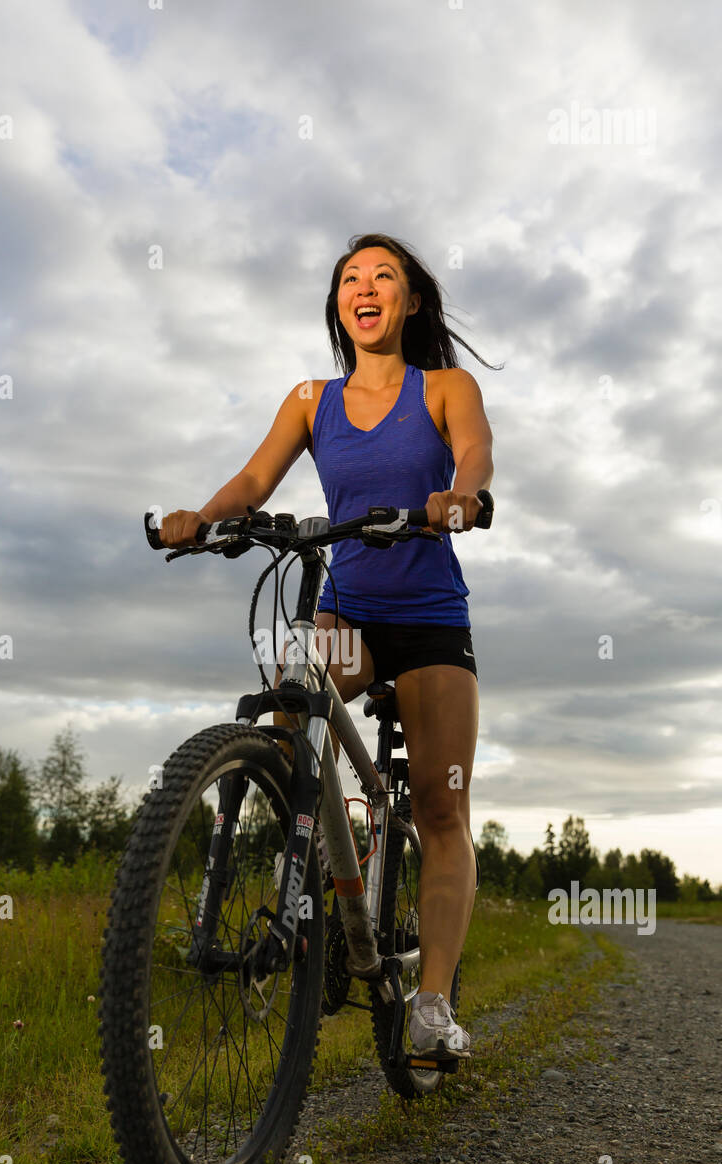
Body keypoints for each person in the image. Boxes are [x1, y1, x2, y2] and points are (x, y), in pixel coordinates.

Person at [158, 232, 499, 1060]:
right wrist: (202, 518)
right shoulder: (313, 398)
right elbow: (252, 482)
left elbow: (476, 456)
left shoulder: (445, 386)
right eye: (352, 277)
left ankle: (429, 1004)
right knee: (286, 714)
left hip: (428, 621)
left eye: (386, 276)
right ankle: (315, 886)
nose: (367, 286)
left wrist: (461, 496)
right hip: (345, 608)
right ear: (339, 304)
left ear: (411, 301)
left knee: (441, 807)